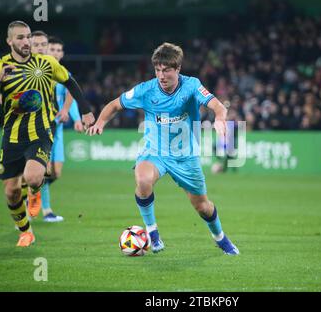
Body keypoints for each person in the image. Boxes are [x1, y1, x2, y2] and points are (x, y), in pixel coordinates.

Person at [87, 42, 239, 255]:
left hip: (185, 156)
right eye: (158, 70)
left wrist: (220, 118)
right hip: (155, 151)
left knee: (203, 206)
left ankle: (221, 238)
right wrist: (101, 122)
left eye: (166, 70)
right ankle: (153, 234)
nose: (161, 75)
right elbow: (114, 105)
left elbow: (217, 105)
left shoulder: (192, 85)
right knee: (142, 180)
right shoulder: (146, 90)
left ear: (177, 69)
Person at [0, 20, 94, 246]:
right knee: (11, 191)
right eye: (20, 37)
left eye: (28, 36)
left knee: (33, 176)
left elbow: (70, 82)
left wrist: (87, 111)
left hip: (41, 131)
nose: (26, 41)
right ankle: (26, 231)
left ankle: (35, 190)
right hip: (11, 137)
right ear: (9, 41)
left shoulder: (46, 63)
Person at [39, 36, 84, 222]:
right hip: (42, 128)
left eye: (59, 50)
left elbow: (70, 96)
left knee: (56, 172)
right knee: (45, 170)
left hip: (57, 129)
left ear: (62, 53)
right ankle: (46, 210)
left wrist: (76, 119)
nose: (56, 53)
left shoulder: (63, 73)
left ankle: (32, 192)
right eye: (53, 49)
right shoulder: (39, 72)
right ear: (46, 50)